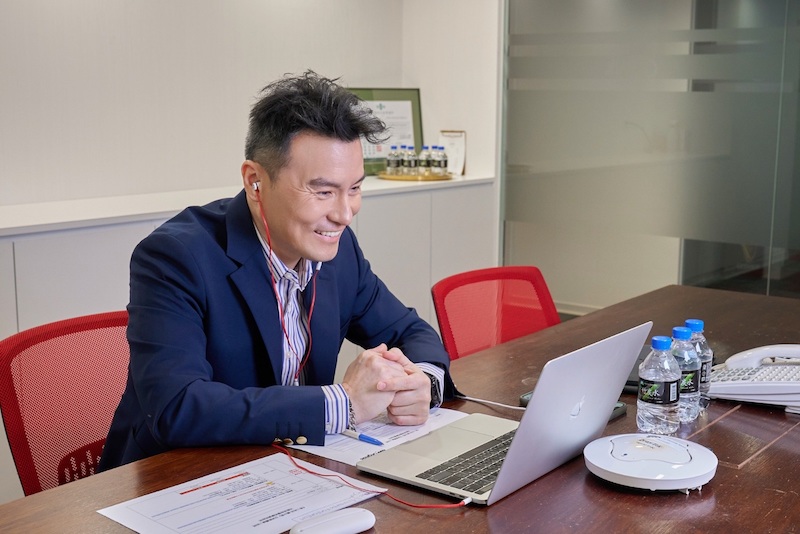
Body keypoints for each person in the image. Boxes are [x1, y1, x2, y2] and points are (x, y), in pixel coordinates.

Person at [99, 71, 456, 470]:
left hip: (288, 471)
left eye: (354, 188)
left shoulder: (337, 249)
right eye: (323, 191)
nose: (343, 214)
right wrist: (343, 403)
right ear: (255, 181)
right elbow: (177, 407)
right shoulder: (175, 257)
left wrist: (422, 381)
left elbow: (410, 332)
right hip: (175, 479)